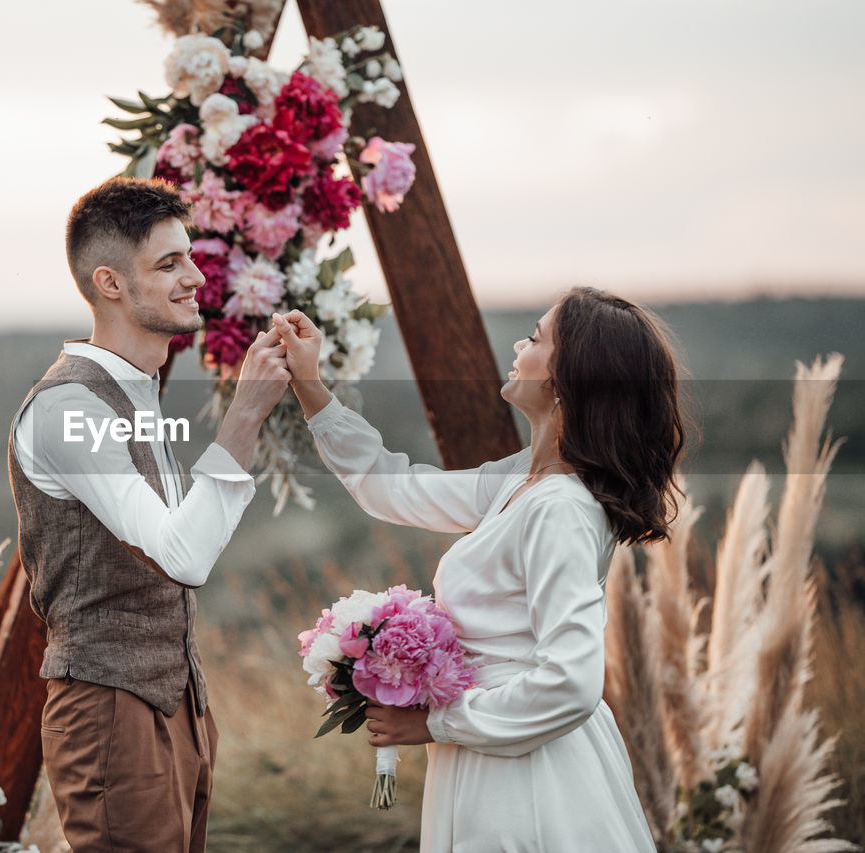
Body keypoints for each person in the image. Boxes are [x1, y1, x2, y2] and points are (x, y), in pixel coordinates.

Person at [273, 286, 682, 851]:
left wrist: (435, 724)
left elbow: (570, 684)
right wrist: (310, 385)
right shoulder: (520, 484)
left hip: (529, 774)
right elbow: (391, 487)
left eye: (537, 338)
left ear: (569, 379)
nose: (520, 343)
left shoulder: (560, 509)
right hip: (487, 749)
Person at [8, 177, 290, 852]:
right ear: (109, 282)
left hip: (180, 708)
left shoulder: (136, 397)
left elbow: (189, 547)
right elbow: (183, 555)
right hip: (110, 711)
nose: (195, 276)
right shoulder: (69, 408)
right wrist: (245, 413)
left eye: (189, 257)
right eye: (169, 264)